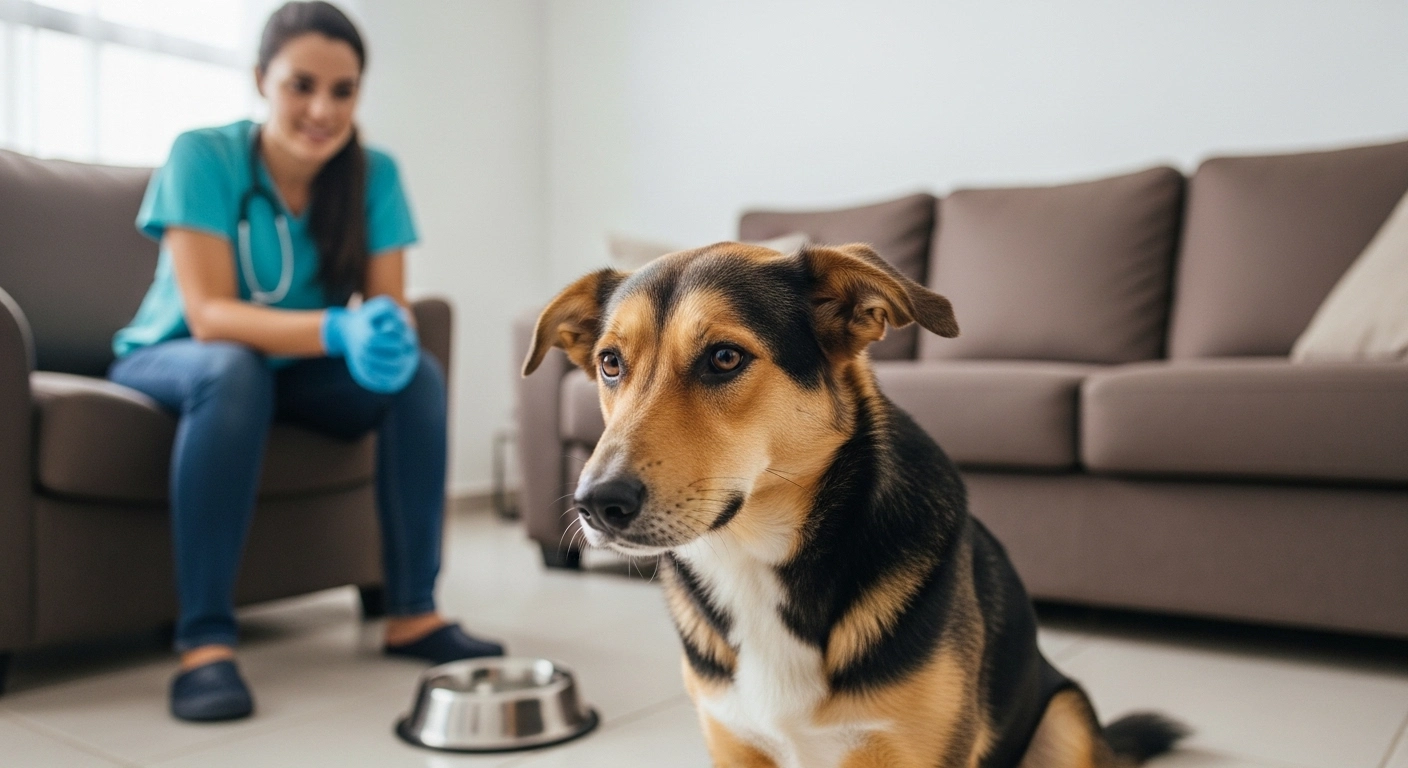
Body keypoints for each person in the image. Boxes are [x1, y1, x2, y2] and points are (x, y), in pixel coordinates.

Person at [108, 1, 503, 723]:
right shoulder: (202, 155)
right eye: (301, 85)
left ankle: (412, 610)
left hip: (287, 372)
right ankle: (204, 643)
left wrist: (385, 336)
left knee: (419, 377)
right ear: (262, 80)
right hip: (175, 359)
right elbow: (209, 316)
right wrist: (336, 330)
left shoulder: (374, 174)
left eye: (343, 91)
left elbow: (387, 305)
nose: (322, 108)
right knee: (232, 368)